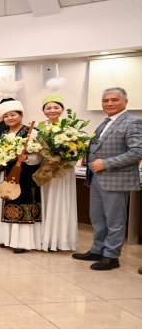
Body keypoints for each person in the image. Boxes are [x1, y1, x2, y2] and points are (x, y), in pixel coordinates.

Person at [73, 88, 142, 270]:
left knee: (115, 221)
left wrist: (107, 164)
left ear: (125, 102)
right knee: (97, 218)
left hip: (116, 179)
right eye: (105, 100)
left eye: (114, 100)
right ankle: (98, 249)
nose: (109, 104)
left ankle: (111, 256)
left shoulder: (132, 122)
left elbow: (137, 151)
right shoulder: (105, 123)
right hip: (97, 179)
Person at [0, 99, 43, 253]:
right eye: (6, 116)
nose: (10, 118)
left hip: (24, 174)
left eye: (13, 115)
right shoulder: (3, 133)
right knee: (4, 201)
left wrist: (26, 158)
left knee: (21, 202)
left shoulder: (32, 131)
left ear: (21, 115)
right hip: (4, 173)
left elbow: (39, 157)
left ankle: (21, 242)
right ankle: (5, 238)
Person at [38, 95, 78, 251]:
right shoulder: (38, 127)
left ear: (62, 109)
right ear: (43, 111)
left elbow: (76, 148)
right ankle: (42, 238)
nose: (52, 110)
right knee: (44, 200)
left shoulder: (69, 126)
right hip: (44, 169)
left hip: (62, 170)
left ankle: (59, 240)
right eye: (48, 107)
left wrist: (63, 160)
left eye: (56, 107)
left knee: (60, 200)